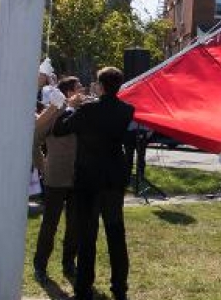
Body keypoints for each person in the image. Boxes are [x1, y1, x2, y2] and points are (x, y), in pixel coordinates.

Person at [52, 67, 134, 300]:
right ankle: (120, 287)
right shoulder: (127, 110)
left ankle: (83, 288)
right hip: (113, 179)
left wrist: (71, 106)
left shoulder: (88, 109)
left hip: (88, 179)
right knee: (116, 234)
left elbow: (60, 129)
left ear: (100, 85)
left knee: (88, 235)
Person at [33, 76, 82, 283]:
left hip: (78, 177)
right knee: (50, 225)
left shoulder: (84, 112)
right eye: (79, 88)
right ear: (69, 92)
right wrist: (42, 166)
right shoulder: (53, 113)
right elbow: (35, 138)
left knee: (75, 225)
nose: (83, 91)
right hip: (56, 176)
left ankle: (69, 264)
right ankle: (40, 266)